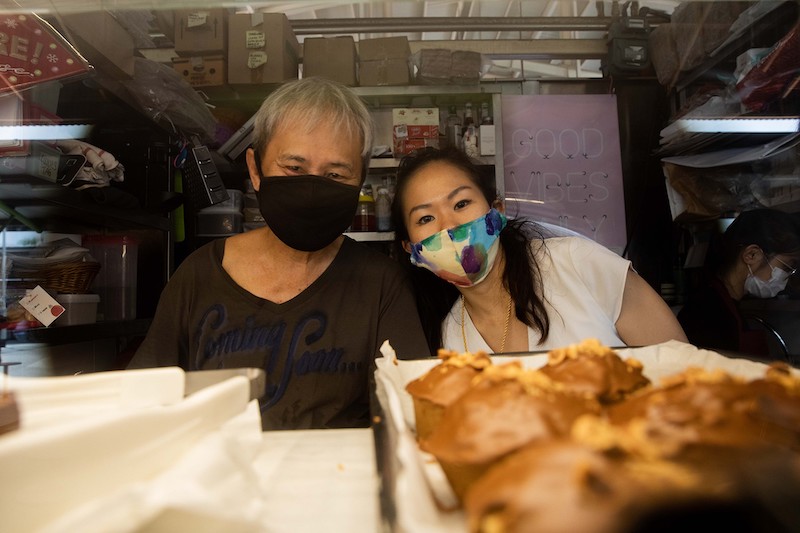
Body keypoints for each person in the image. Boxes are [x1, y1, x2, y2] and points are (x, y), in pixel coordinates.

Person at [129, 77, 430, 430]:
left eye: (335, 174)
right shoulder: (199, 274)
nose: (313, 188)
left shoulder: (382, 285)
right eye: (294, 168)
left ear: (360, 181)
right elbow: (143, 403)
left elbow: (410, 417)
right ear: (255, 170)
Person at [390, 146, 687, 355]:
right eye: (425, 218)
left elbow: (684, 368)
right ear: (410, 249)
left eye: (462, 204)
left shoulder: (577, 263)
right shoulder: (450, 336)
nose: (449, 226)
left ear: (497, 211)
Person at [677, 208, 800, 358]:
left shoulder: (726, 302)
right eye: (787, 267)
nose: (788, 276)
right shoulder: (709, 312)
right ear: (751, 255)